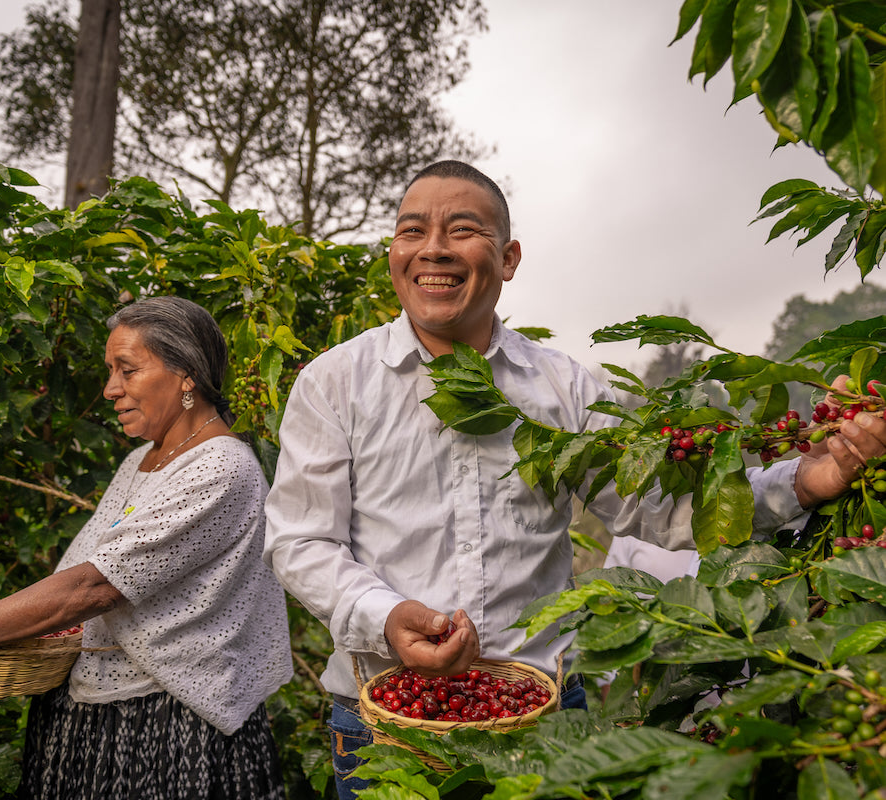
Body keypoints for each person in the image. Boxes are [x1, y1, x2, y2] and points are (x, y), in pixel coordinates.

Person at [262, 160, 886, 798]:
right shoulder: (335, 384)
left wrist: (809, 480)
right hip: (383, 721)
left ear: (508, 259)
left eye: (462, 229)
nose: (433, 249)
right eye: (412, 230)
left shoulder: (563, 389)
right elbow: (300, 542)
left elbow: (662, 510)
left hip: (545, 720)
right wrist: (386, 615)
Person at [0, 297, 293, 800]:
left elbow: (96, 587)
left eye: (126, 370)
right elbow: (88, 571)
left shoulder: (221, 468)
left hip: (165, 723)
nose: (110, 390)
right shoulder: (142, 460)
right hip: (93, 710)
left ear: (187, 375)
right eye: (111, 371)